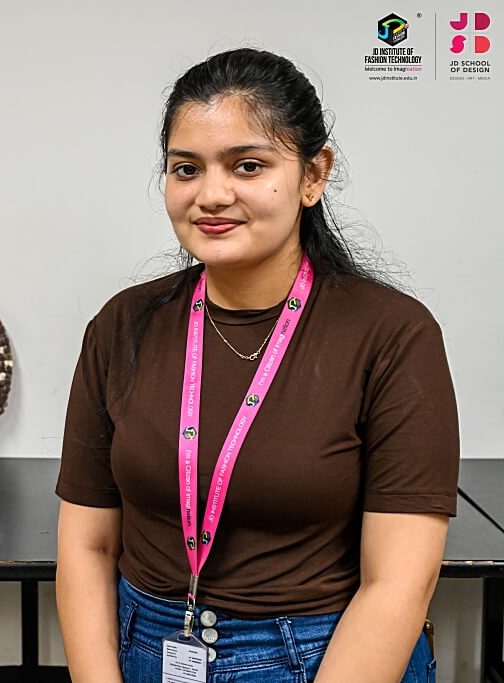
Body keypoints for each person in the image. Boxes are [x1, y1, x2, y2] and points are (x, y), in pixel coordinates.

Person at [55, 47, 459, 683]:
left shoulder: (391, 334)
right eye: (186, 169)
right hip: (147, 651)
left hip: (324, 655)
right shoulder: (122, 325)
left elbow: (399, 583)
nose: (211, 195)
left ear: (312, 175)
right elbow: (87, 546)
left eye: (248, 166)